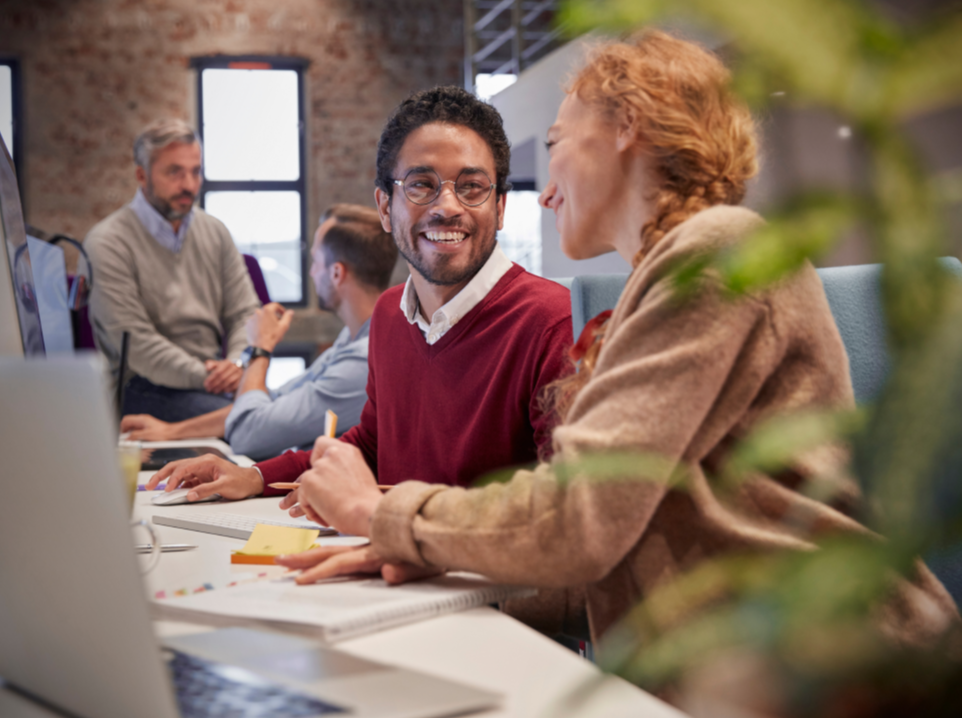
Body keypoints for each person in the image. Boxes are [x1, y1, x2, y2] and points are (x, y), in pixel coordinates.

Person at [266, 31, 958, 647]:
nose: (543, 192)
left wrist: (381, 515)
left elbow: (579, 516)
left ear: (624, 127)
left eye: (557, 143)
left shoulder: (714, 256)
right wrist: (425, 558)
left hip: (833, 666)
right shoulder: (664, 281)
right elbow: (607, 552)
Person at [145, 86, 575, 500]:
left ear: (499, 207)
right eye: (421, 185)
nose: (448, 206)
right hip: (388, 563)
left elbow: (564, 508)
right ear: (386, 207)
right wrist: (256, 476)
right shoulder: (390, 315)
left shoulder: (552, 323)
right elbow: (372, 444)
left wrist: (391, 530)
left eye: (472, 187)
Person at [120, 204, 397, 460]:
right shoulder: (354, 337)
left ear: (337, 274)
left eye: (315, 261)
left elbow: (247, 435)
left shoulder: (365, 360)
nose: (311, 273)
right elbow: (274, 401)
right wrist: (171, 432)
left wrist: (260, 349)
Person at [85, 119, 260, 422]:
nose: (189, 185)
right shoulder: (107, 242)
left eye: (196, 171)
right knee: (252, 424)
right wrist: (211, 377)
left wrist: (237, 364)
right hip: (140, 387)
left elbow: (245, 313)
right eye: (174, 172)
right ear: (142, 175)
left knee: (277, 417)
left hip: (211, 382)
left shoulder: (215, 232)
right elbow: (137, 344)